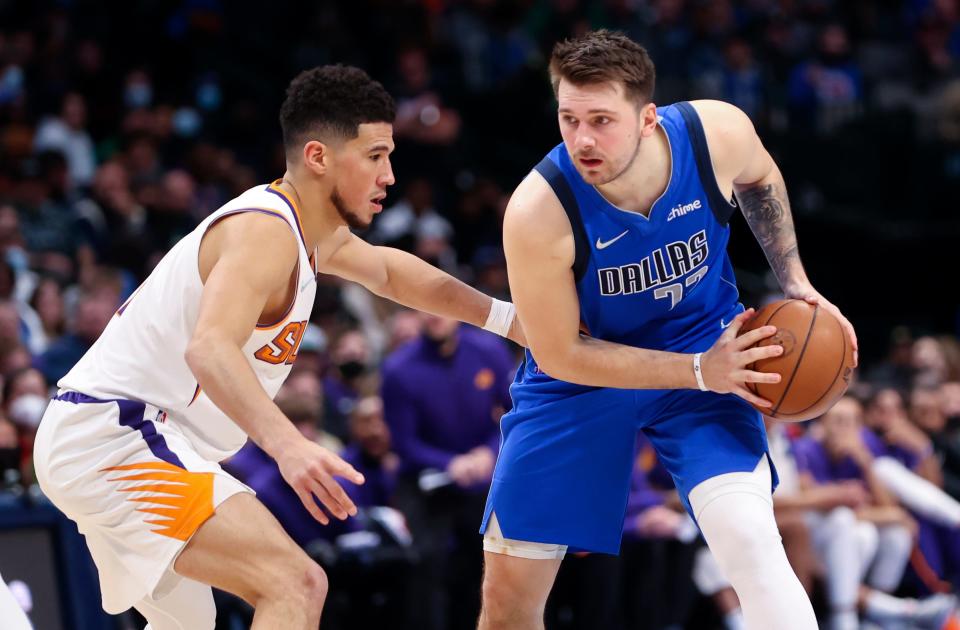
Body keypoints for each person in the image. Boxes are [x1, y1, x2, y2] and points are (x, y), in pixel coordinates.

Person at [32, 65, 522, 630]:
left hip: (136, 438)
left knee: (192, 624)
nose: (389, 174)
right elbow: (209, 349)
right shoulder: (265, 232)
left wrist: (510, 319)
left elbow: (394, 274)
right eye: (375, 155)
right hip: (116, 437)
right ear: (318, 156)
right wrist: (288, 446)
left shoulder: (310, 235)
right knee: (296, 582)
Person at [479, 30, 857, 630]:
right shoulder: (537, 211)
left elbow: (760, 179)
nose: (582, 139)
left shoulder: (717, 134)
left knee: (753, 544)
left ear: (648, 118)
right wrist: (702, 372)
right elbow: (558, 353)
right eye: (569, 118)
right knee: (508, 606)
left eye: (601, 120)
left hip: (706, 347)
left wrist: (795, 281)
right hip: (585, 377)